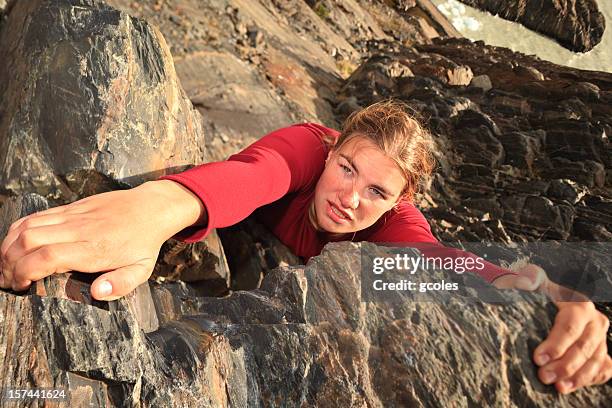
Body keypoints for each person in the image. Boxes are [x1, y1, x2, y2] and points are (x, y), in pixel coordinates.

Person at [0, 100, 609, 393]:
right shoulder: (304, 146)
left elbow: (448, 263)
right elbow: (253, 176)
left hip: (279, 286)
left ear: (398, 199)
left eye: (375, 191)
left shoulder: (393, 225)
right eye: (346, 168)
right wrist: (157, 208)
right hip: (227, 224)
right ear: (333, 147)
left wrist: (551, 294)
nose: (350, 197)